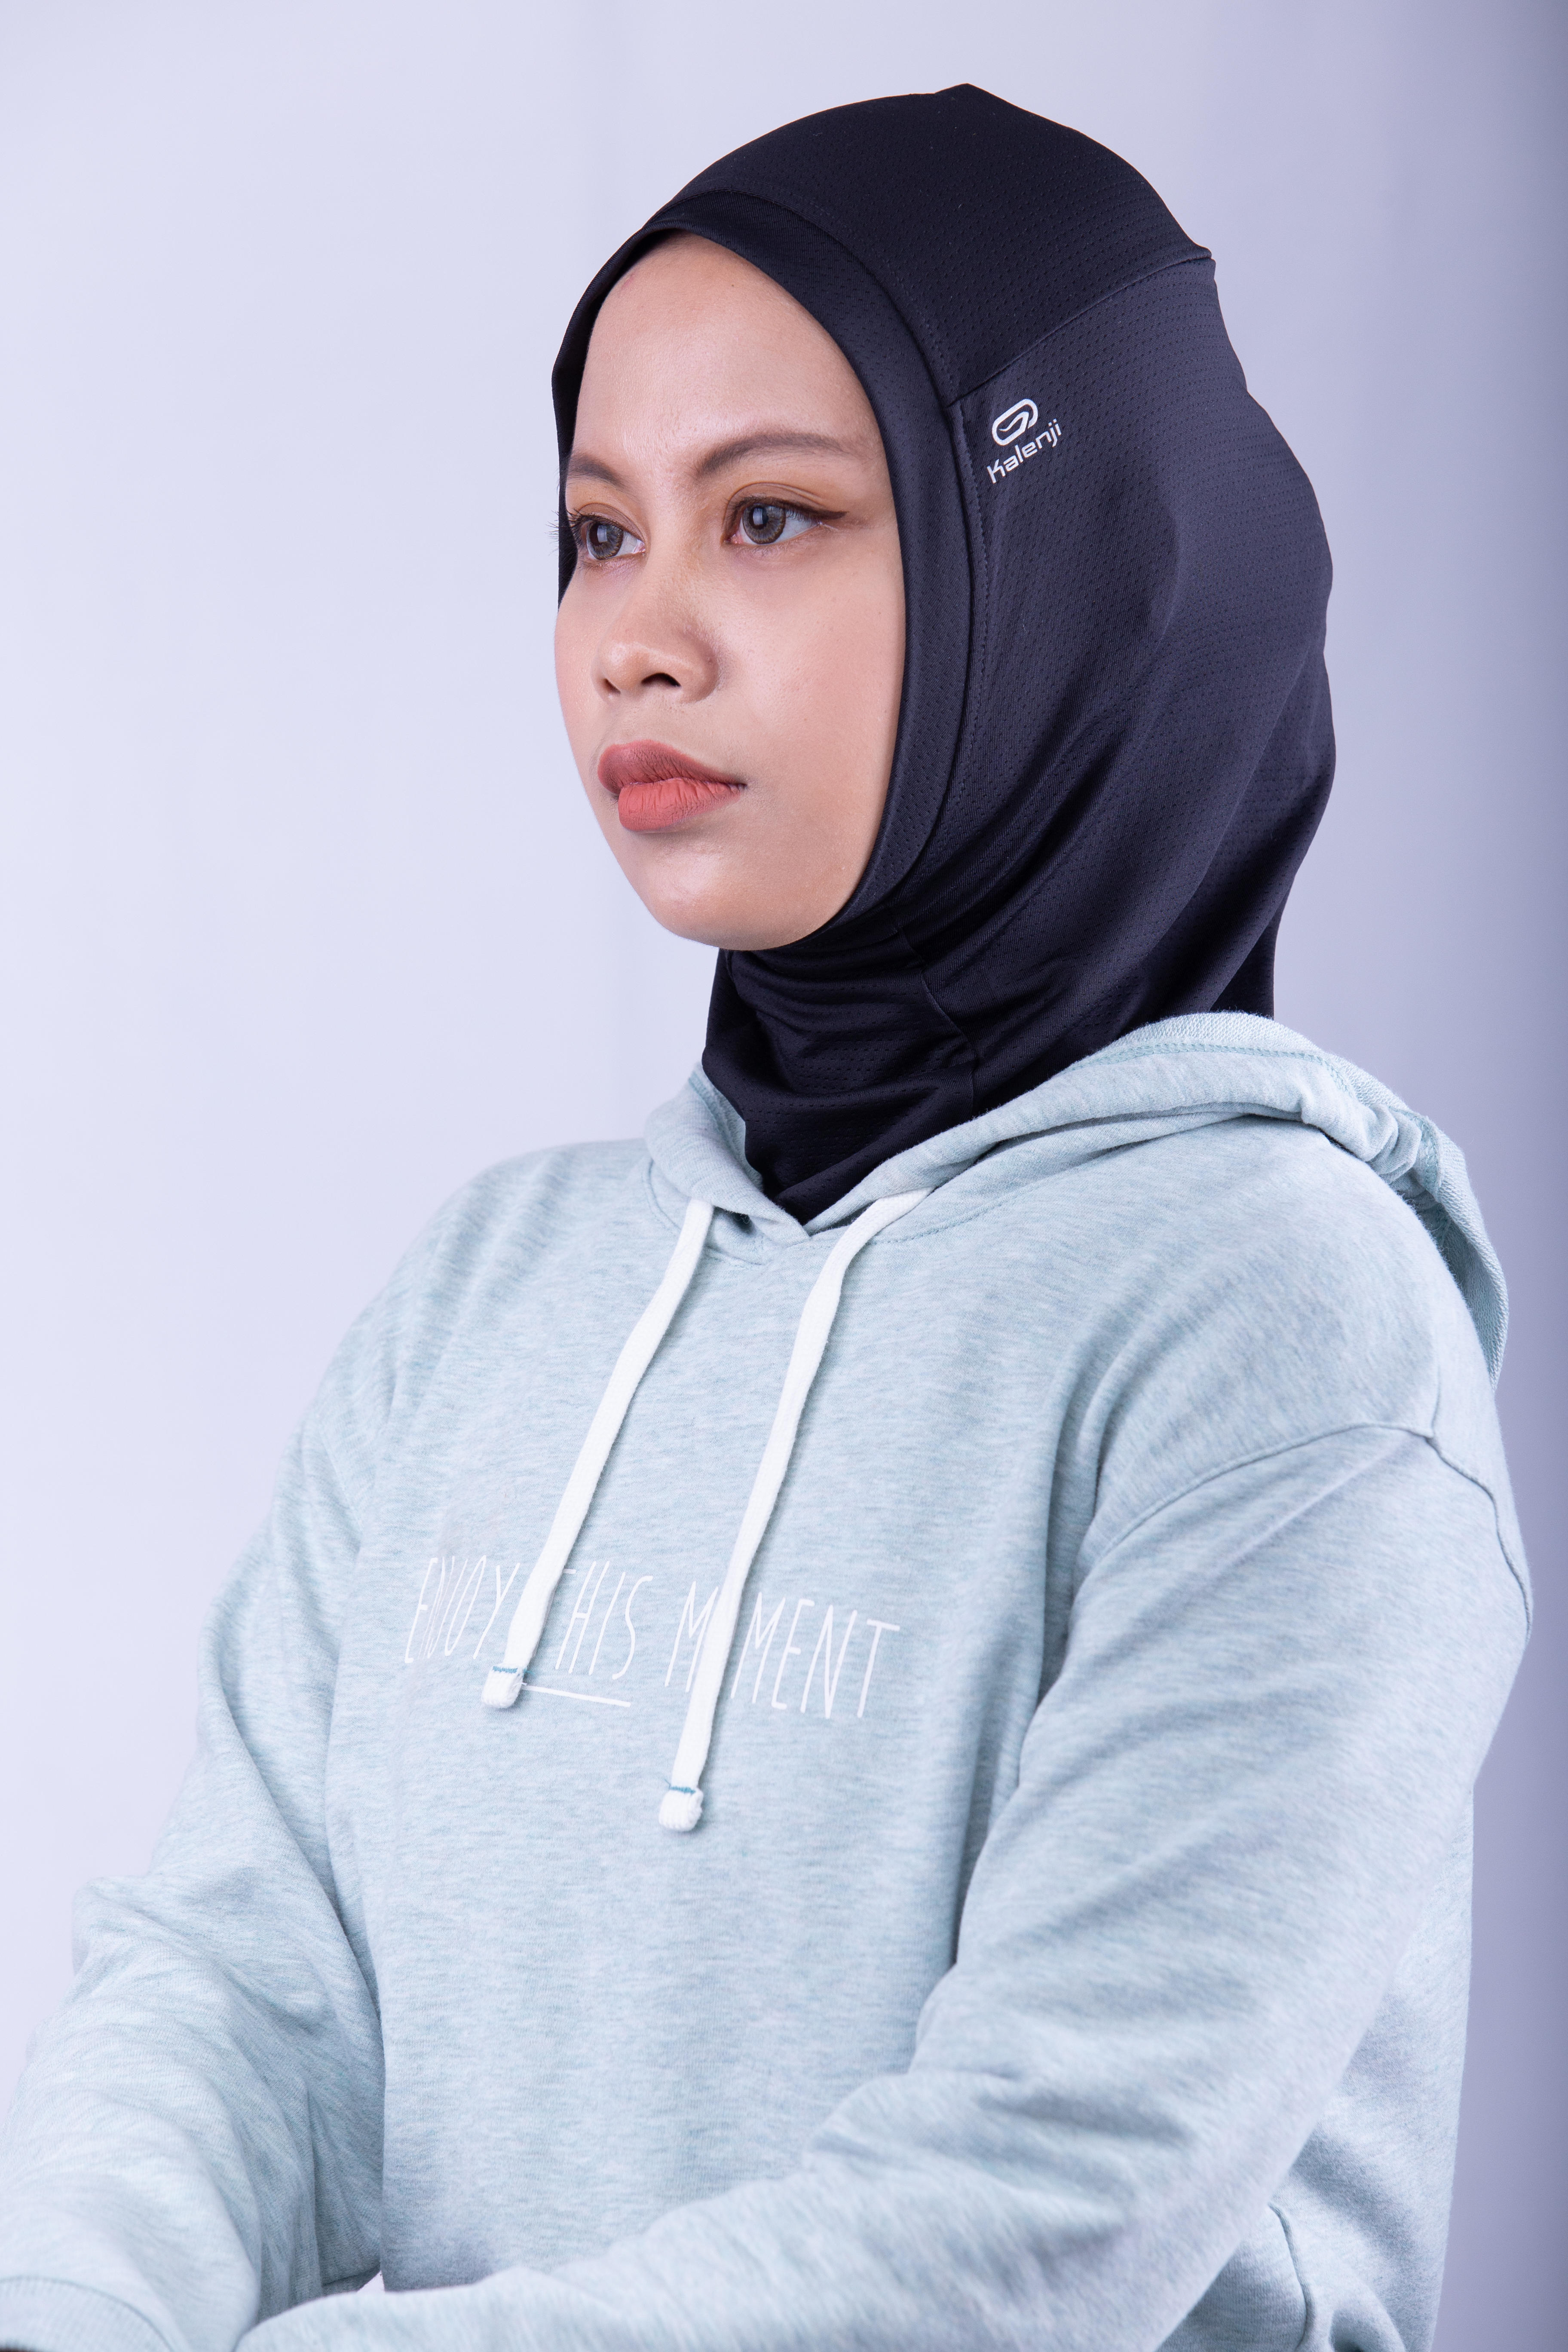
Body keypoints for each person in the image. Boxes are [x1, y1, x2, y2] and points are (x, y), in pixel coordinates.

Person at [0, 84, 1527, 2352]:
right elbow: (243, 1991)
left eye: (775, 517)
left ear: (1068, 568)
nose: (639, 636)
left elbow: (1033, 2213)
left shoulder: (1287, 1328)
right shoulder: (494, 1290)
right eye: (598, 531)